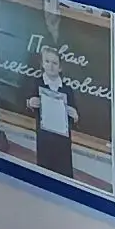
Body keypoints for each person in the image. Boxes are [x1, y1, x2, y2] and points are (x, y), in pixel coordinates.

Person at [27, 45, 79, 179]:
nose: (51, 66)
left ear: (60, 67)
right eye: (47, 61)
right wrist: (30, 102)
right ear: (42, 64)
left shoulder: (67, 90)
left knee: (64, 172)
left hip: (63, 140)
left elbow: (74, 116)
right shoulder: (37, 83)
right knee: (45, 171)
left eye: (55, 63)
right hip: (45, 137)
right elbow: (28, 105)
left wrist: (74, 115)